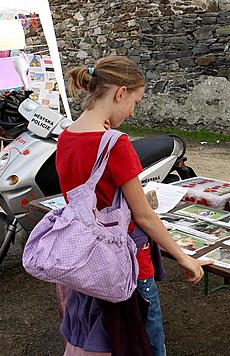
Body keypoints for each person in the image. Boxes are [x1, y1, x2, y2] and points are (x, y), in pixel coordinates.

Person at [56, 55, 208, 356]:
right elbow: (143, 216)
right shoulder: (116, 143)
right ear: (120, 93)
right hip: (127, 265)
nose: (133, 111)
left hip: (86, 260)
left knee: (106, 338)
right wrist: (183, 257)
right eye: (134, 102)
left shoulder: (66, 136)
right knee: (144, 343)